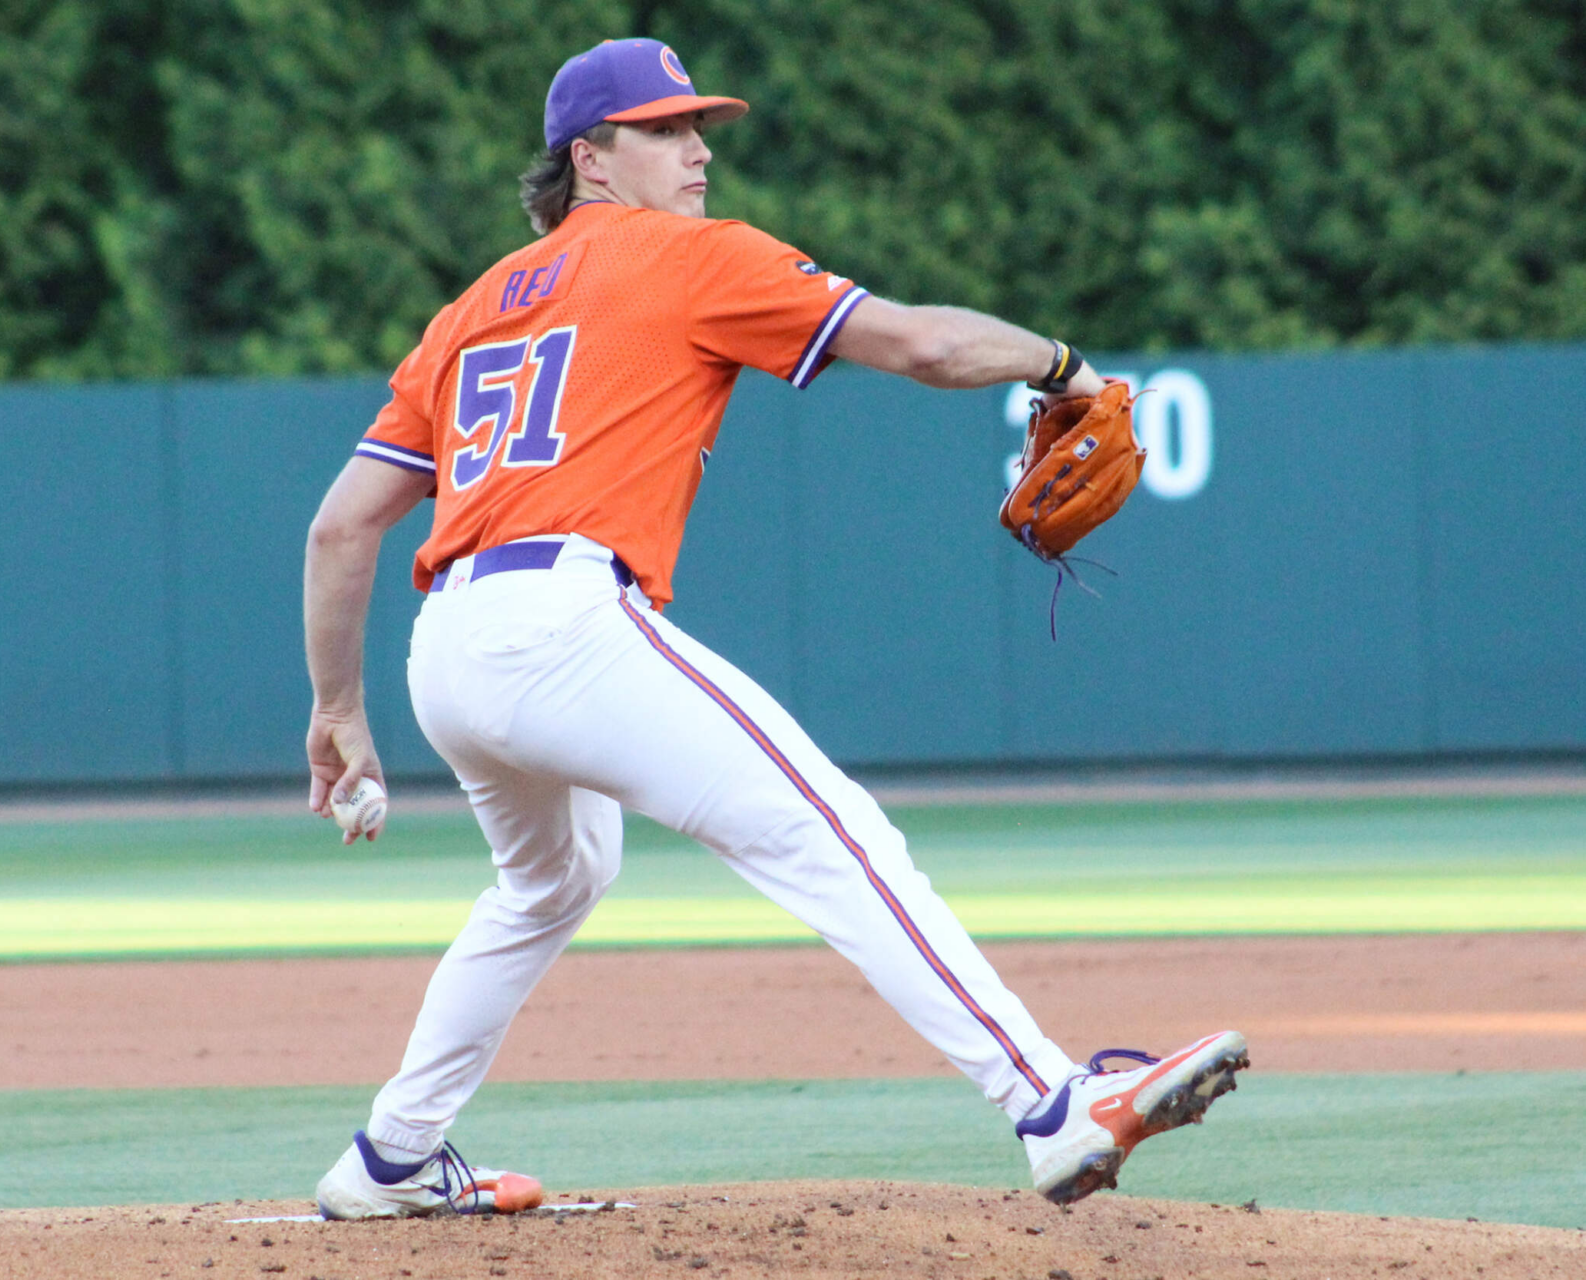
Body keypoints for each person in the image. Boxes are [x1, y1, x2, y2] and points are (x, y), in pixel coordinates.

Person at [303, 37, 1247, 1218]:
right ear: (590, 158)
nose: (699, 149)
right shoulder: (687, 259)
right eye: (665, 129)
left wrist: (338, 707)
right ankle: (1054, 1104)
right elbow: (926, 343)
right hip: (565, 623)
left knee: (551, 879)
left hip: (445, 649)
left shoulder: (468, 310)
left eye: (700, 126)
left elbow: (344, 529)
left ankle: (392, 1153)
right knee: (832, 832)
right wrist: (1060, 364)